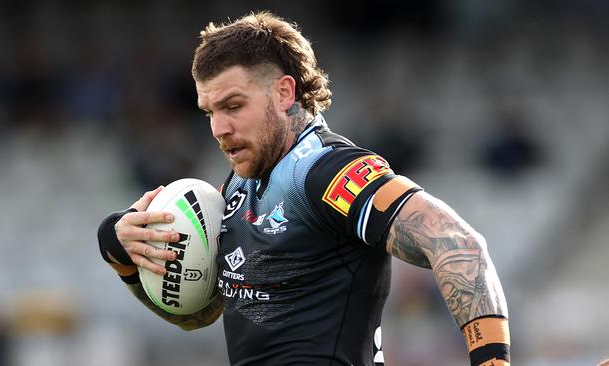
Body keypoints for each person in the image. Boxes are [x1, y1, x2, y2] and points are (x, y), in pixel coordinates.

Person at [97, 11, 510, 366]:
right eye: (209, 112)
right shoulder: (239, 186)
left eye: (233, 106)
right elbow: (199, 314)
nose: (219, 129)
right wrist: (124, 260)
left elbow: (460, 245)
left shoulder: (326, 172)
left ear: (284, 92)